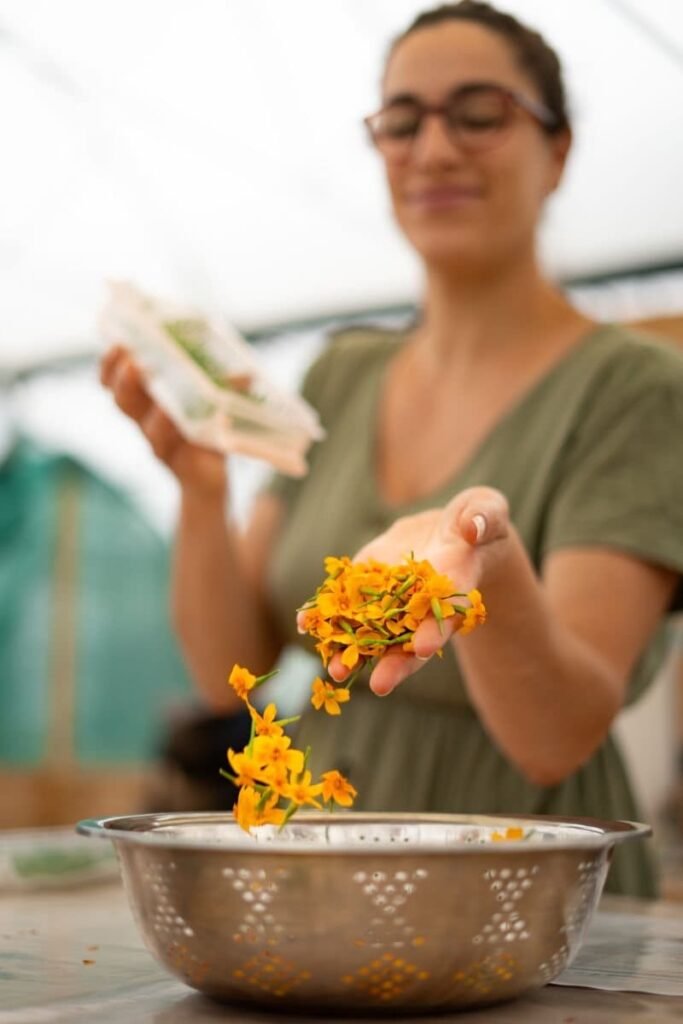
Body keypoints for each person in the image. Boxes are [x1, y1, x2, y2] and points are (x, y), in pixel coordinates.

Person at [101, 0, 683, 897]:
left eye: (480, 114)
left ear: (557, 150)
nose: (434, 150)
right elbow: (233, 671)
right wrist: (199, 485)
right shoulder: (340, 372)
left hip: (526, 876)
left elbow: (555, 733)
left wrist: (486, 558)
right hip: (325, 861)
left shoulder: (636, 389)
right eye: (400, 122)